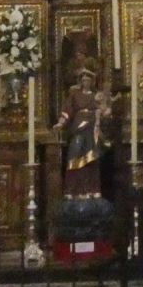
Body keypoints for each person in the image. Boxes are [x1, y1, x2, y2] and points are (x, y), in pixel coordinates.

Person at [52, 67, 108, 199]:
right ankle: (72, 189)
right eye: (83, 80)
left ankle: (92, 188)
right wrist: (61, 123)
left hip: (91, 129)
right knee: (74, 155)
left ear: (92, 81)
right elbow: (67, 111)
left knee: (91, 159)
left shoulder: (96, 96)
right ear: (80, 81)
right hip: (78, 128)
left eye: (88, 80)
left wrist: (104, 111)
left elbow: (103, 111)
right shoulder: (74, 96)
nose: (86, 82)